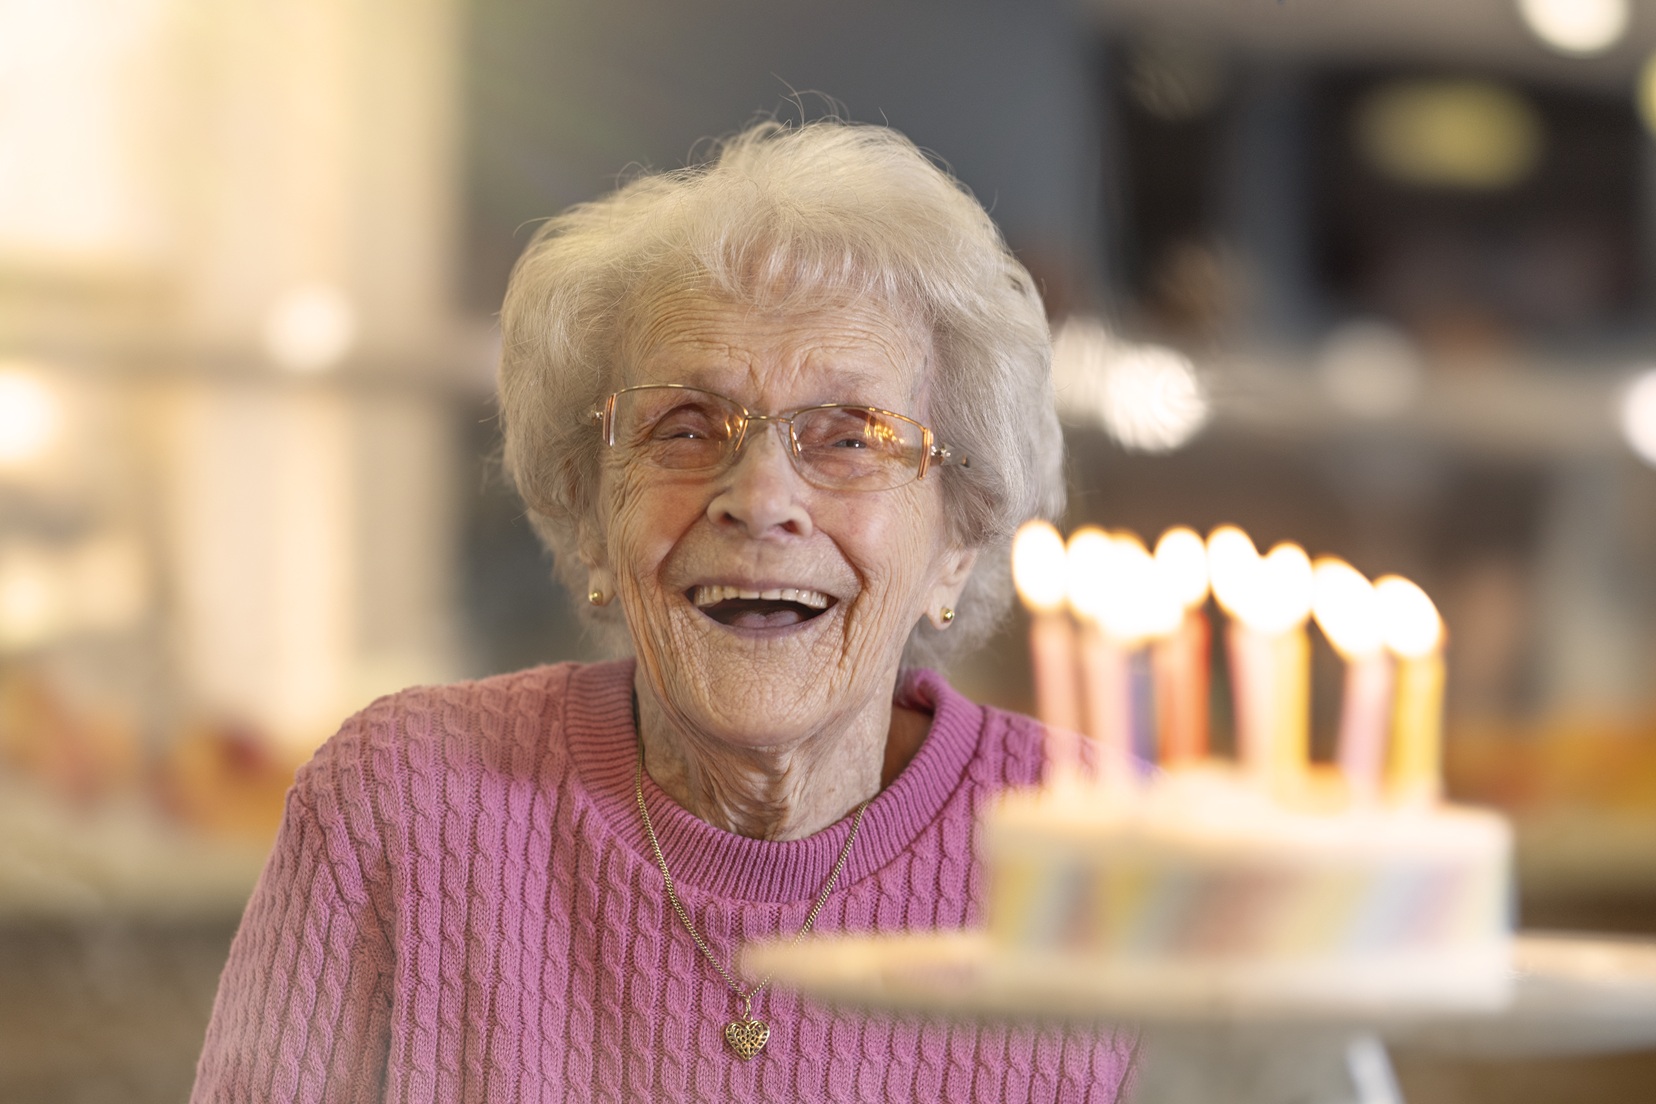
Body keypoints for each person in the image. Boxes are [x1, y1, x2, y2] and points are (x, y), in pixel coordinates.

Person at [192, 119, 1137, 1102]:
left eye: (849, 438)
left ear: (960, 538)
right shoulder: (400, 806)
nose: (761, 497)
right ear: (592, 509)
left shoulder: (1125, 863)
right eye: (685, 427)